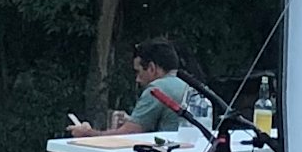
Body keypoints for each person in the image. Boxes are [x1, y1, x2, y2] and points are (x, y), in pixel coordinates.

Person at [67, 38, 217, 140]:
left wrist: (87, 133)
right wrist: (134, 120)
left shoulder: (157, 89)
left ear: (152, 68)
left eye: (138, 72)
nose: (137, 80)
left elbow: (126, 135)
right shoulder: (193, 86)